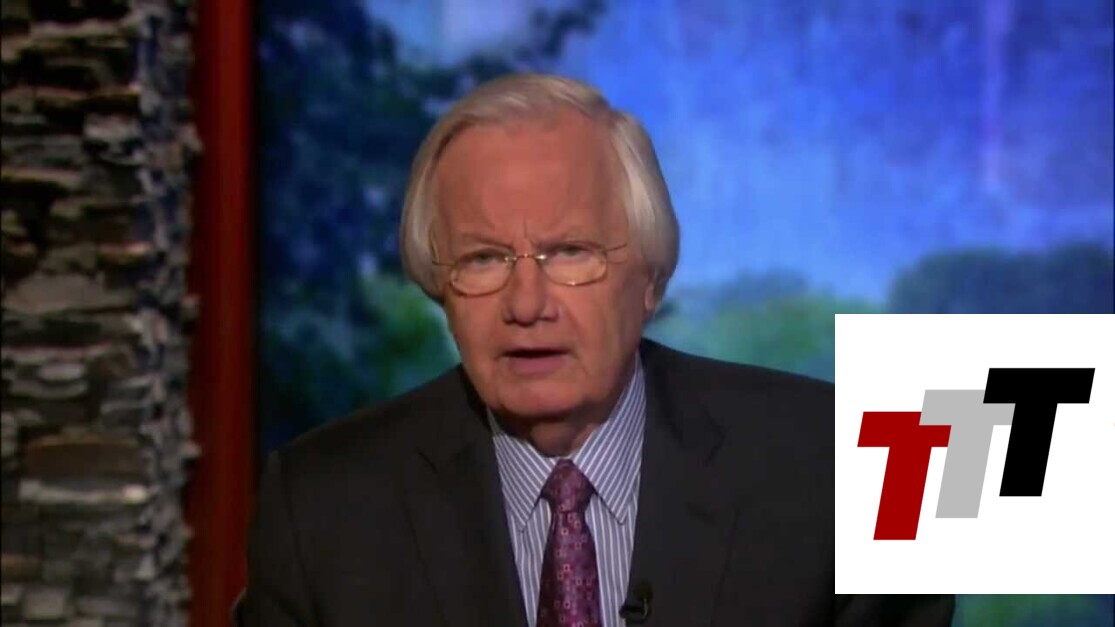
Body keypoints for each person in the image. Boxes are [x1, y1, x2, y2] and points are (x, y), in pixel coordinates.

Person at [239, 73, 953, 626]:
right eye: (483, 259)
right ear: (440, 288)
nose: (526, 305)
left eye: (570, 252)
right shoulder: (321, 507)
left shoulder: (846, 469)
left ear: (650, 277)